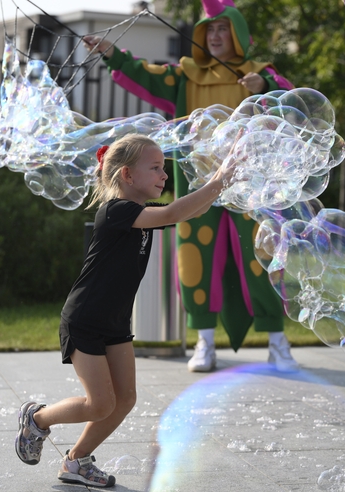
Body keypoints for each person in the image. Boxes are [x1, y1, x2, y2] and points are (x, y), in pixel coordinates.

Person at [83, 0, 299, 373]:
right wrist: (112, 53)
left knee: (262, 260)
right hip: (197, 187)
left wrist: (264, 86)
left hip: (251, 189)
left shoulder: (258, 74)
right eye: (209, 30)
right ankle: (205, 341)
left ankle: (278, 343)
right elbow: (146, 72)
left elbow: (291, 102)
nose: (214, 36)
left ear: (237, 35)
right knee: (196, 262)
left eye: (222, 29)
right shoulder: (185, 75)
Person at [15, 134, 238, 487]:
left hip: (115, 321)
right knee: (100, 403)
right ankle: (38, 419)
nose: (164, 175)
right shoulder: (117, 211)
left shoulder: (142, 214)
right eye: (155, 168)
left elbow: (191, 211)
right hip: (86, 319)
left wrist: (224, 179)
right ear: (127, 176)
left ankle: (75, 463)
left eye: (164, 168)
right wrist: (218, 180)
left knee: (126, 399)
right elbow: (176, 211)